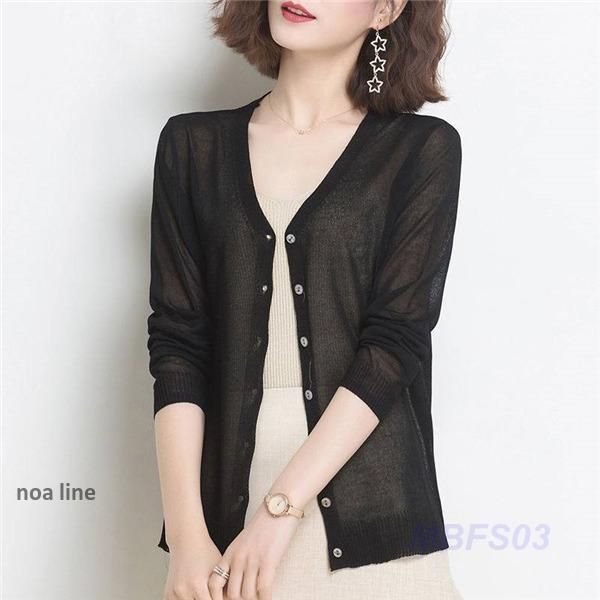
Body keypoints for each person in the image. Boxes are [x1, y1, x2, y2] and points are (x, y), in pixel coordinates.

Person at [147, 0, 464, 599]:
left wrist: (278, 512)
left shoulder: (420, 150)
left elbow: (394, 344)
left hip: (371, 518)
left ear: (386, 9)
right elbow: (178, 347)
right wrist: (187, 536)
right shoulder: (193, 146)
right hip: (219, 525)